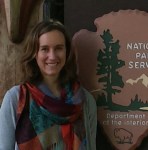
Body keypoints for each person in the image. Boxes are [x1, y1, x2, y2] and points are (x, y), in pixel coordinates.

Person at [0, 19, 97, 150]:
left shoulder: (85, 101)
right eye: (44, 49)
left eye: (58, 48)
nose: (52, 56)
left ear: (67, 52)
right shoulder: (15, 99)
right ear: (35, 53)